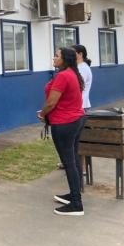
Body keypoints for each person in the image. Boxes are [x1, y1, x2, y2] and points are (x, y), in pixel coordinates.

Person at [38, 47, 85, 216]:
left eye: (56, 56)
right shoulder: (73, 73)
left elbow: (52, 102)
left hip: (64, 123)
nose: (54, 58)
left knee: (68, 162)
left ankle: (76, 204)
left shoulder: (63, 76)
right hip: (76, 120)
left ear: (64, 59)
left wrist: (42, 114)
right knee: (73, 159)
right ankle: (74, 194)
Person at [72, 44, 92, 111]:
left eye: (73, 53)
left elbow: (78, 86)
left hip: (81, 106)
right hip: (80, 105)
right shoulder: (79, 67)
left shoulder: (82, 68)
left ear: (80, 54)